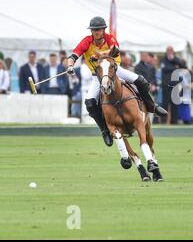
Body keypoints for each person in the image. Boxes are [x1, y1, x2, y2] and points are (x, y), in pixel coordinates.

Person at [65, 16, 167, 146]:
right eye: (94, 30)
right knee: (90, 103)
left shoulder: (109, 38)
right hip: (98, 76)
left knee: (141, 81)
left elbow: (114, 49)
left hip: (115, 71)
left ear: (103, 30)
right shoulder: (86, 41)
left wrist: (99, 56)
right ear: (91, 31)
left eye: (99, 29)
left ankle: (152, 106)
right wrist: (70, 66)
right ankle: (104, 130)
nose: (96, 32)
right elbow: (74, 55)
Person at [160, 46, 182, 124]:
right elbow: (164, 68)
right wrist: (174, 67)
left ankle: (174, 121)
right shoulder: (163, 59)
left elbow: (181, 64)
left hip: (175, 85)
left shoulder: (176, 59)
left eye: (171, 50)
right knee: (165, 103)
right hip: (166, 85)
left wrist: (173, 60)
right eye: (168, 50)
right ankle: (163, 121)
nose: (169, 52)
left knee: (174, 104)